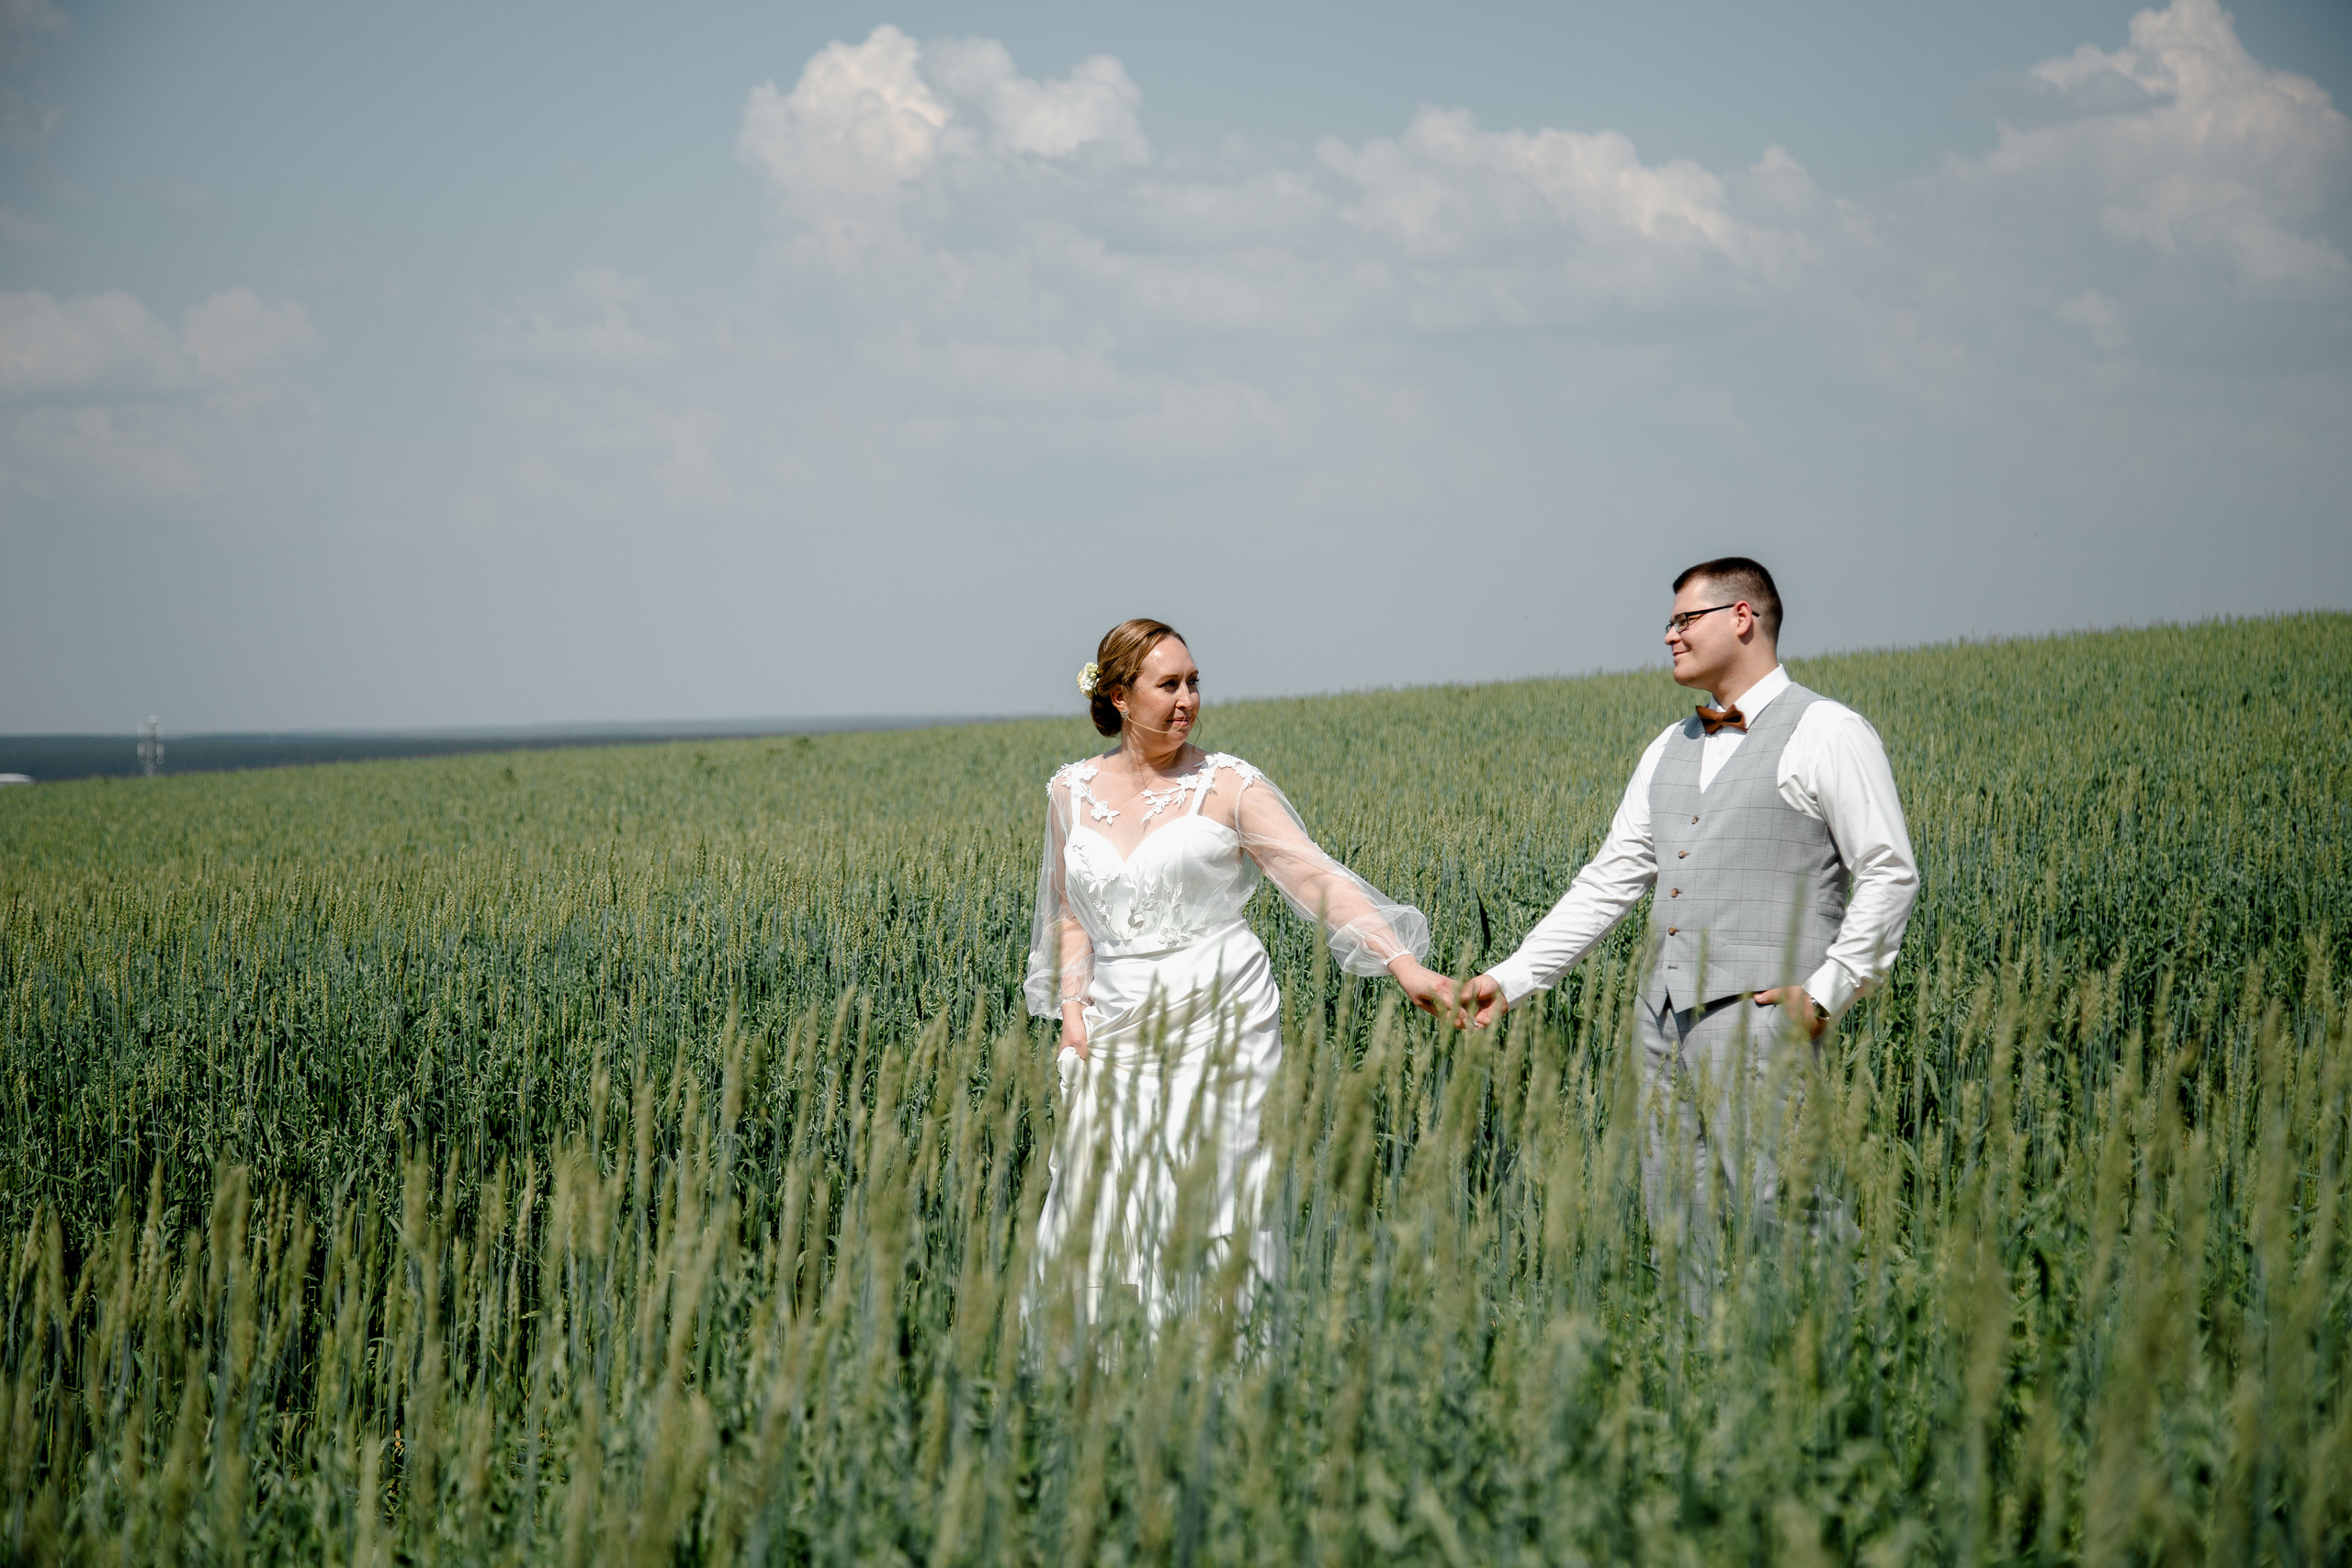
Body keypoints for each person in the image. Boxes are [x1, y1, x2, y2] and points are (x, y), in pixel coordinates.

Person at [1464, 558, 1918, 1282]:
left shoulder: (1827, 730)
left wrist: (1830, 988)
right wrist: (1511, 978)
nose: (1670, 635)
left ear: (1742, 616)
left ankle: (1846, 1370)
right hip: (1660, 1022)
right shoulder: (1667, 747)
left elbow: (1889, 870)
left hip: (1764, 1018)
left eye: (1685, 619)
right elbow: (1610, 880)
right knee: (1676, 1220)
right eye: (1670, 623)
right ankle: (1698, 1378)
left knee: (1788, 1211)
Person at [1025, 618, 1453, 1321]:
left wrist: (1402, 964)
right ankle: (1110, 1377)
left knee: (1214, 1193)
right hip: (1114, 1026)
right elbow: (1072, 914)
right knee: (1101, 1196)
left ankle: (1219, 1364)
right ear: (1121, 697)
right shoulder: (1070, 792)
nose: (1188, 697)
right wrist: (1073, 1017)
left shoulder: (1227, 784)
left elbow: (1318, 881)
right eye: (1169, 684)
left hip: (1219, 1017)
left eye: (1194, 681)